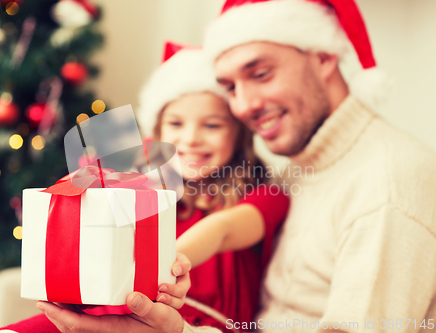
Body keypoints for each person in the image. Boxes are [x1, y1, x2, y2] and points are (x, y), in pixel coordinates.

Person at [35, 0, 436, 332]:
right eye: (230, 88)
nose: (243, 107)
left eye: (260, 73)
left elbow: (226, 230)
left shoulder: (386, 185)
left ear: (325, 56)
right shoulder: (304, 172)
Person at [0, 41, 289, 333]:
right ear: (157, 133)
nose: (191, 139)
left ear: (240, 135)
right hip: (126, 310)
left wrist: (166, 262)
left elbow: (222, 230)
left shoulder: (265, 194)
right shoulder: (141, 189)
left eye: (212, 125)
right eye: (176, 124)